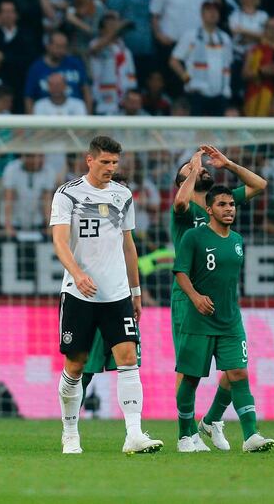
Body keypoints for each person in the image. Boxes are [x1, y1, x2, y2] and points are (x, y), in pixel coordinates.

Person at [50, 135, 163, 454]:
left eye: (115, 163)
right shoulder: (67, 194)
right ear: (90, 160)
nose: (110, 168)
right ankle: (70, 432)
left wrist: (136, 291)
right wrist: (78, 273)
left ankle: (134, 434)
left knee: (128, 359)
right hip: (78, 293)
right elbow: (59, 242)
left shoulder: (122, 195)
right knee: (76, 365)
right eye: (105, 162)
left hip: (116, 294)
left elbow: (129, 245)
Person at [171, 145, 267, 450]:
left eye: (200, 166)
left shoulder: (221, 204)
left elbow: (259, 185)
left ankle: (213, 420)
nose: (200, 168)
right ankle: (187, 431)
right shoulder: (185, 210)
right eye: (190, 168)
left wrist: (228, 164)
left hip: (224, 303)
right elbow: (180, 200)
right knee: (189, 371)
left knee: (235, 368)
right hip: (189, 297)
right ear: (182, 179)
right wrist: (193, 165)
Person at [170, 1, 232, 116]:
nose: (212, 13)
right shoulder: (191, 36)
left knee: (217, 131)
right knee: (196, 130)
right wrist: (187, 78)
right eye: (208, 10)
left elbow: (228, 64)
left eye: (215, 10)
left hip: (220, 94)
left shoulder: (225, 39)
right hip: (197, 93)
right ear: (202, 14)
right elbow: (174, 60)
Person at [0, 0, 38, 114]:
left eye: (11, 11)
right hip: (0, 86)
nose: (8, 15)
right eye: (4, 12)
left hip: (21, 84)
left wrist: (4, 57)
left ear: (16, 15)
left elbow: (28, 60)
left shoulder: (26, 35)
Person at [24, 31, 91, 114]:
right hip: (45, 114)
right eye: (58, 46)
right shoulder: (36, 68)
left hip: (74, 113)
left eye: (64, 47)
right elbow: (29, 97)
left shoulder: (75, 63)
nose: (61, 50)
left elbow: (86, 90)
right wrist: (32, 123)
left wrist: (88, 117)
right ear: (48, 46)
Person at [88, 13, 136, 115]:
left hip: (121, 103)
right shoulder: (95, 44)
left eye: (115, 25)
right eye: (110, 26)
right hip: (102, 101)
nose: (114, 28)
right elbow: (94, 50)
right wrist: (117, 30)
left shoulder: (125, 50)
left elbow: (131, 80)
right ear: (101, 29)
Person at [1, 153, 56, 237]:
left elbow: (47, 201)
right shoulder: (11, 169)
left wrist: (50, 225)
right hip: (15, 223)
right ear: (26, 158)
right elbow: (9, 199)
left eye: (42, 156)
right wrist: (8, 226)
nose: (41, 160)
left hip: (37, 223)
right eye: (39, 157)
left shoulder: (49, 170)